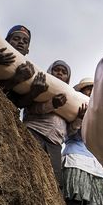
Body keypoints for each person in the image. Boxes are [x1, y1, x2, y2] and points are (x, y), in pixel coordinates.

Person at [23, 61, 70, 190]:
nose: (60, 73)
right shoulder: (40, 85)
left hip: (55, 144)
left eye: (64, 72)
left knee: (54, 183)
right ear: (50, 71)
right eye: (56, 70)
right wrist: (52, 104)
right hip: (35, 131)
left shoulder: (70, 100)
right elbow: (30, 108)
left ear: (68, 78)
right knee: (27, 169)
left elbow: (70, 131)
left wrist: (78, 120)